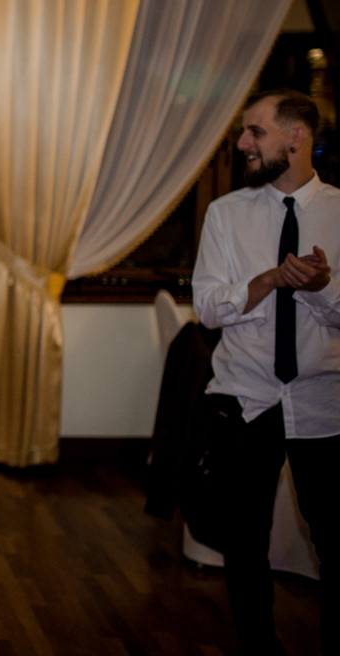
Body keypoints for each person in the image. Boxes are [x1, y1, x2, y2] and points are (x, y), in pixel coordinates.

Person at [192, 88, 339, 656]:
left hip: (324, 403)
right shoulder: (225, 214)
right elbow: (207, 308)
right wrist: (268, 280)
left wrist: (321, 289)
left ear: (296, 138)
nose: (242, 143)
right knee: (244, 541)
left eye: (255, 131)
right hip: (244, 396)